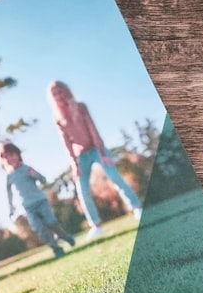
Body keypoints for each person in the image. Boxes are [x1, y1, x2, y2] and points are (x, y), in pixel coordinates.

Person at [47, 80, 142, 239]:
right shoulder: (57, 118)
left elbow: (92, 129)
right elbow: (66, 143)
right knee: (82, 189)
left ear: (66, 91)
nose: (58, 95)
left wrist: (103, 154)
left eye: (60, 91)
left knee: (114, 177)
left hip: (97, 149)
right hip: (80, 156)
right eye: (54, 94)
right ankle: (95, 225)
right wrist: (74, 164)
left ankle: (137, 208)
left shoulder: (81, 107)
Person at [0, 141, 76, 258]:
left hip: (41, 201)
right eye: (6, 157)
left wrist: (35, 175)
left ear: (17, 155)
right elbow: (9, 194)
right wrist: (11, 209)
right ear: (3, 160)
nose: (10, 159)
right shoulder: (9, 176)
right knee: (39, 228)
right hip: (28, 207)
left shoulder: (26, 168)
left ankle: (63, 235)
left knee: (51, 222)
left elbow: (43, 180)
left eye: (11, 155)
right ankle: (56, 248)